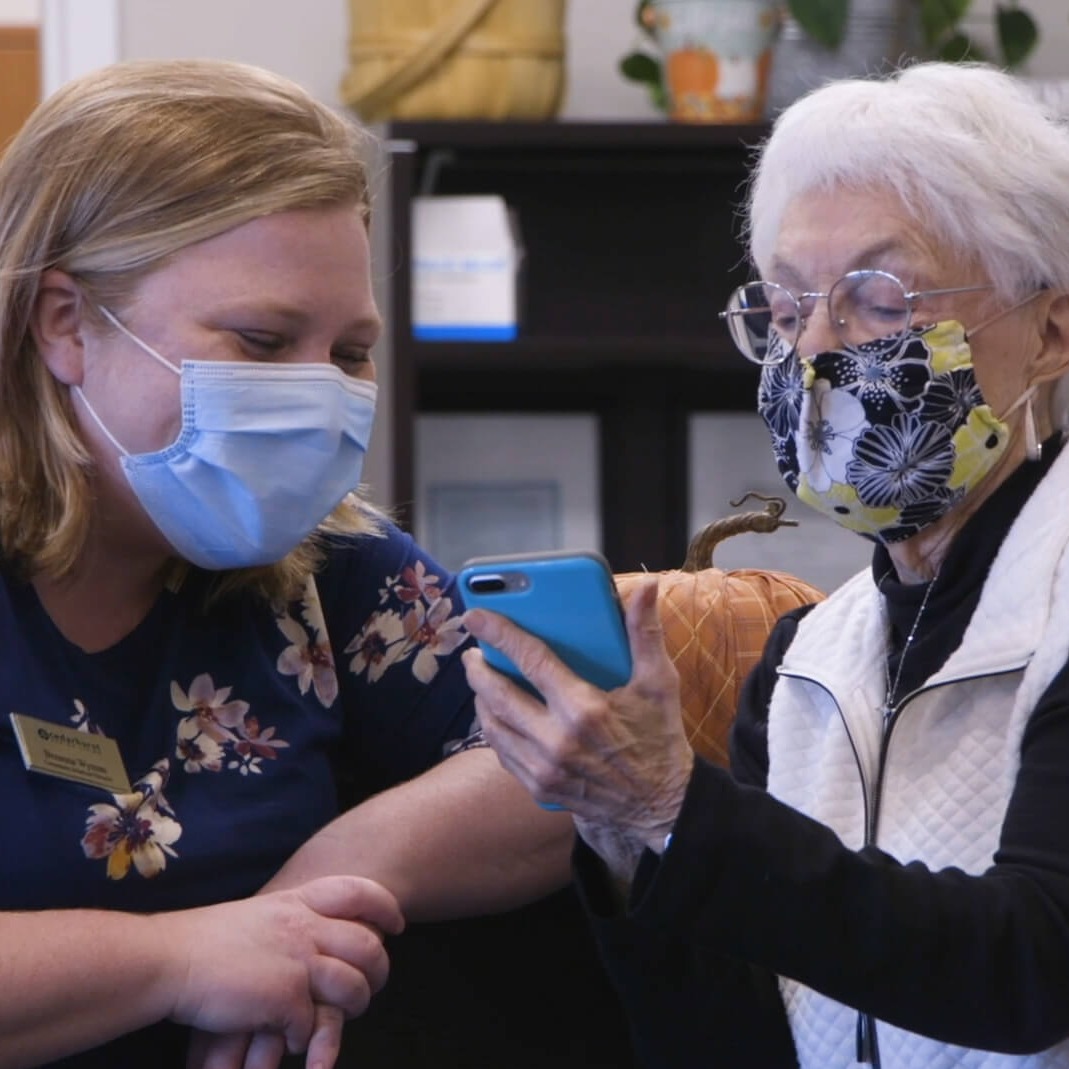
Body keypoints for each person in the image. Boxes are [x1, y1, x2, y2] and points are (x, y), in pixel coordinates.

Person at [461, 60, 1069, 1068]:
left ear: (1051, 328)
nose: (817, 354)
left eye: (879, 298)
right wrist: (621, 837)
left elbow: (1029, 967)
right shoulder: (806, 662)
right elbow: (730, 1041)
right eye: (786, 312)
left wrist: (674, 807)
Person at [0, 58, 574, 1069]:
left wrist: (315, 888)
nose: (317, 397)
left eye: (349, 353)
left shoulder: (328, 564)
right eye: (262, 341)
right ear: (67, 324)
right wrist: (178, 961)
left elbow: (555, 773)